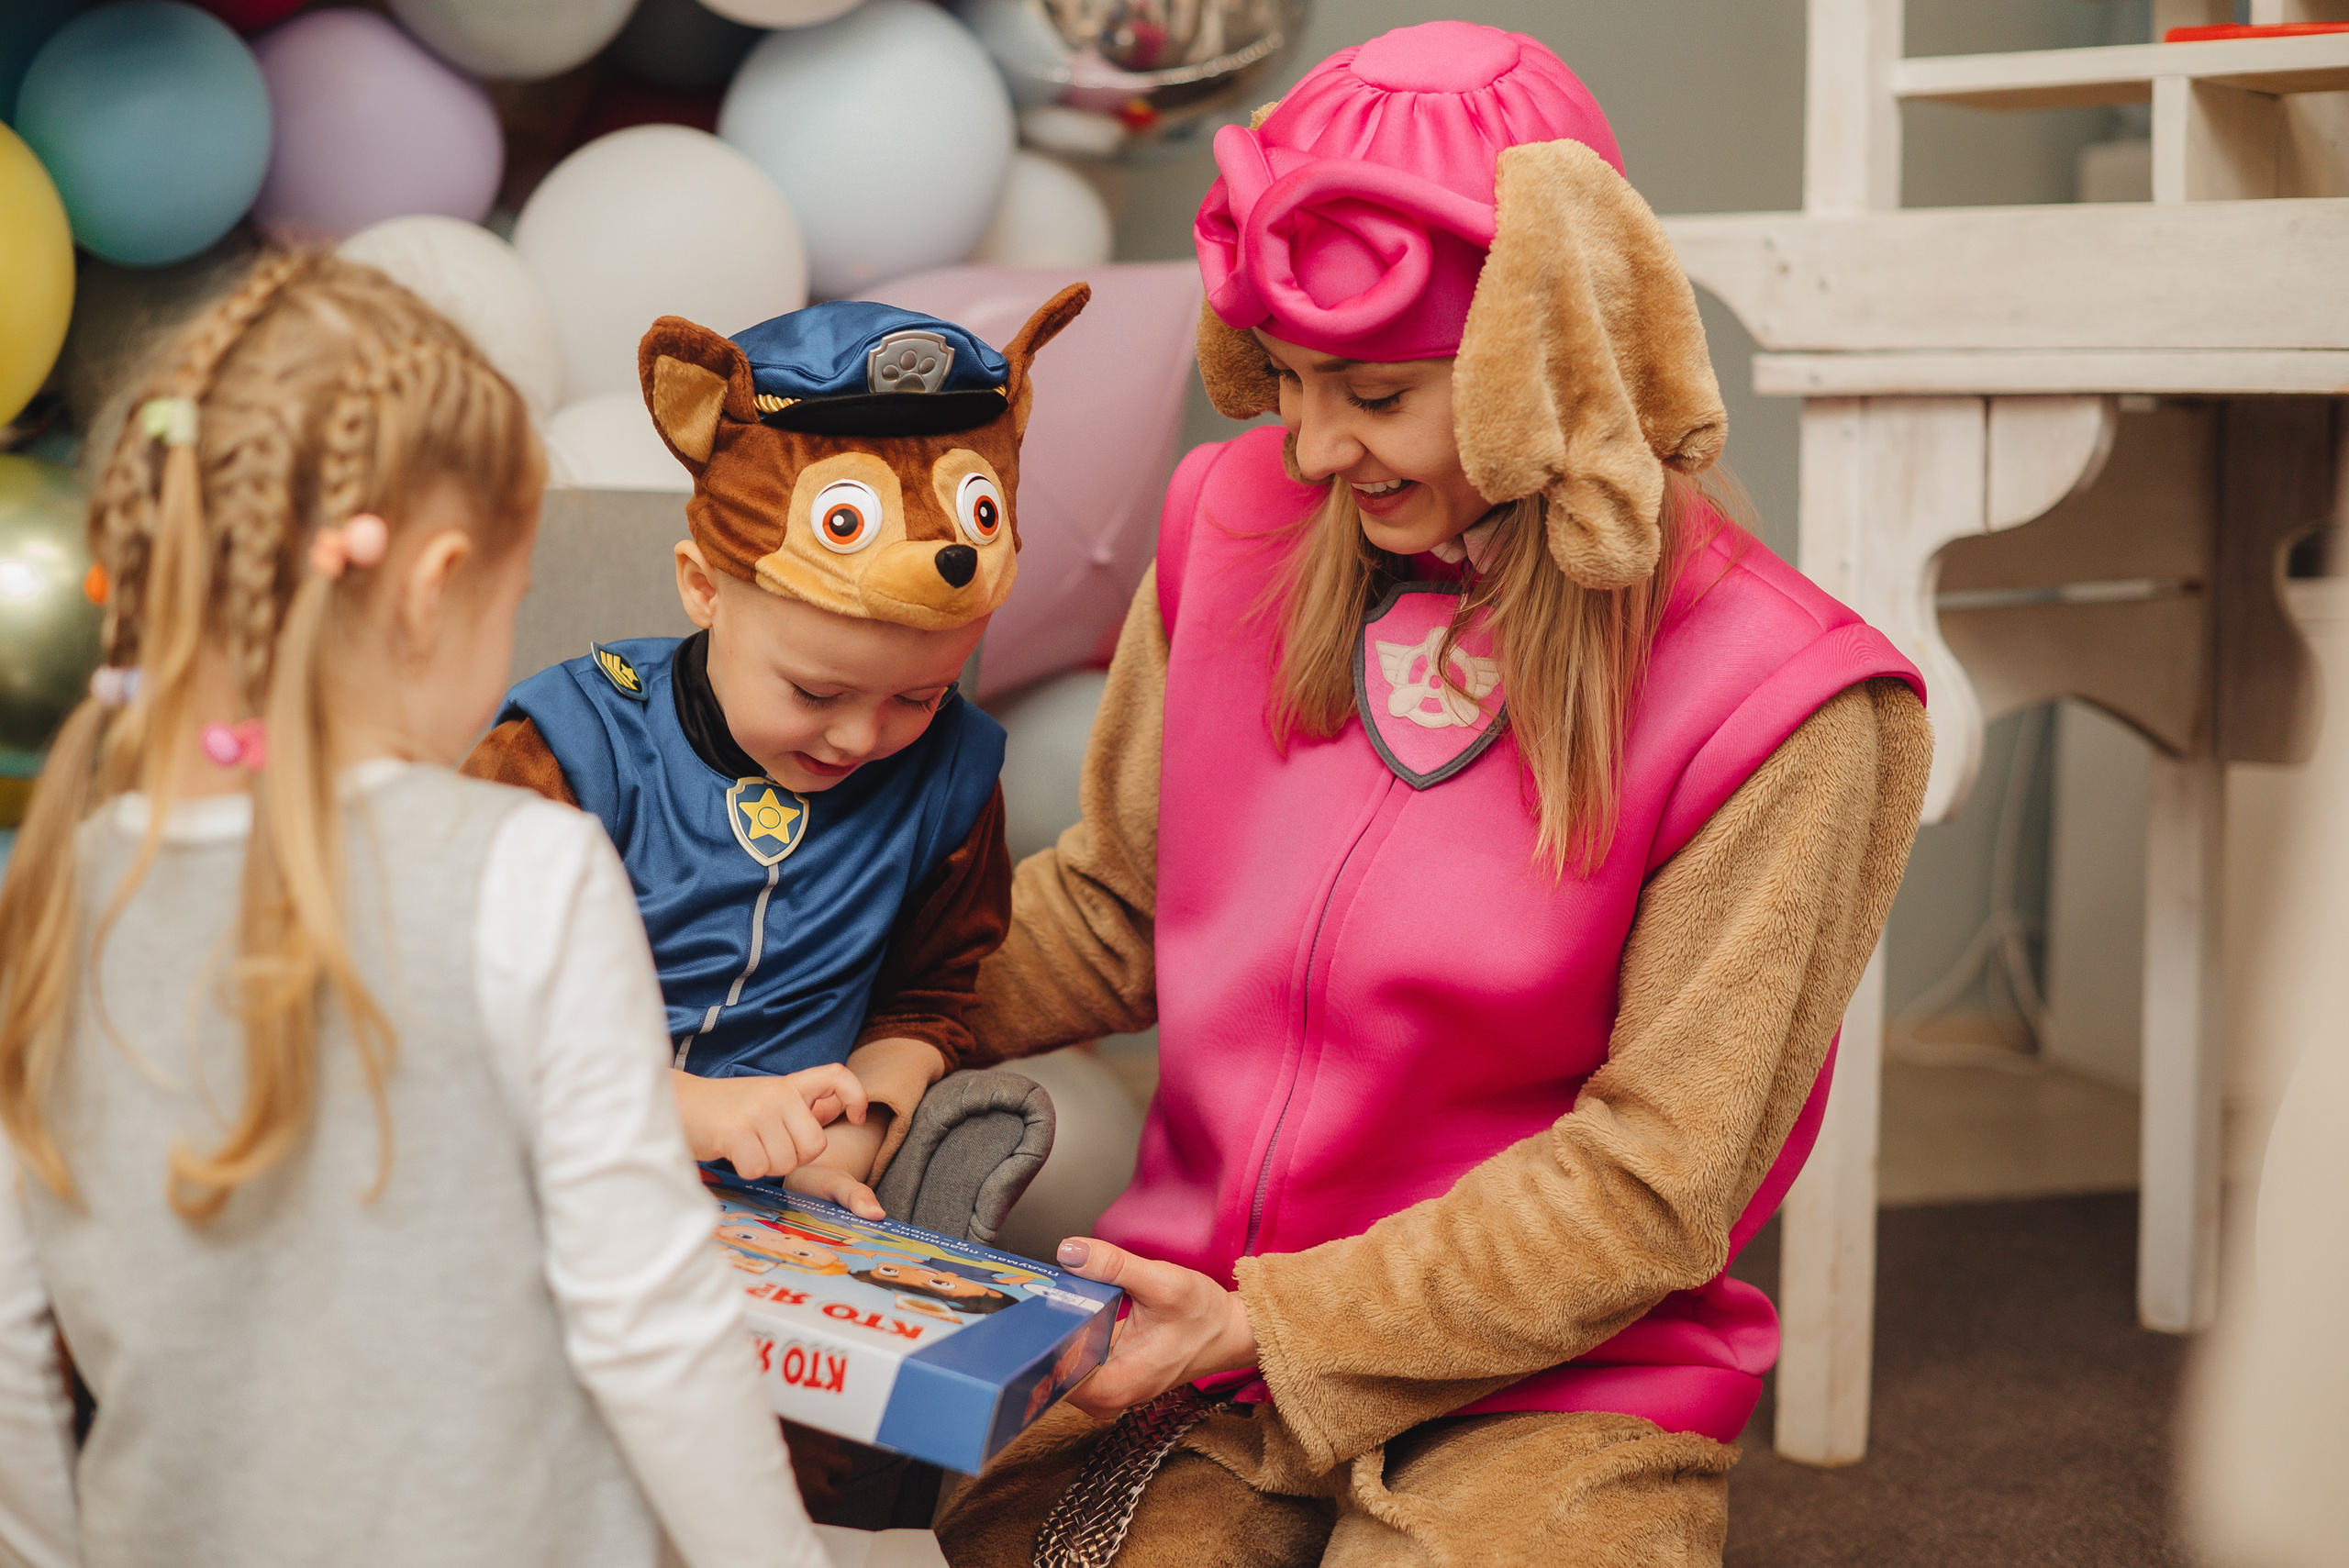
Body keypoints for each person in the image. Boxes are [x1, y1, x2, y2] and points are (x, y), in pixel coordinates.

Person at [937, 23, 1932, 1568]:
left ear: (1541, 360)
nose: (1315, 444)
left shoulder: (1793, 705)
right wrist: (863, 1017)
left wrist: (1285, 1313)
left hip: (1562, 1384)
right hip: (1199, 1345)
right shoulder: (1237, 521)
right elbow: (1121, 899)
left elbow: (1649, 1186)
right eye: (1286, 379)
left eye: (1379, 392)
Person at [0, 254, 829, 1568]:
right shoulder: (528, 873)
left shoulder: (64, 884)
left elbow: (9, 1349)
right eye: (509, 607)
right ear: (437, 584)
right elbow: (651, 1323)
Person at [462, 292, 1089, 1218]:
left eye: (918, 697)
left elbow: (926, 1000)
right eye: (814, 692)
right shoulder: (570, 749)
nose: (856, 737)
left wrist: (856, 1125)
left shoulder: (949, 779)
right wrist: (687, 1111)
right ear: (704, 588)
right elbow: (454, 998)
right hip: (524, 1187)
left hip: (764, 1216)